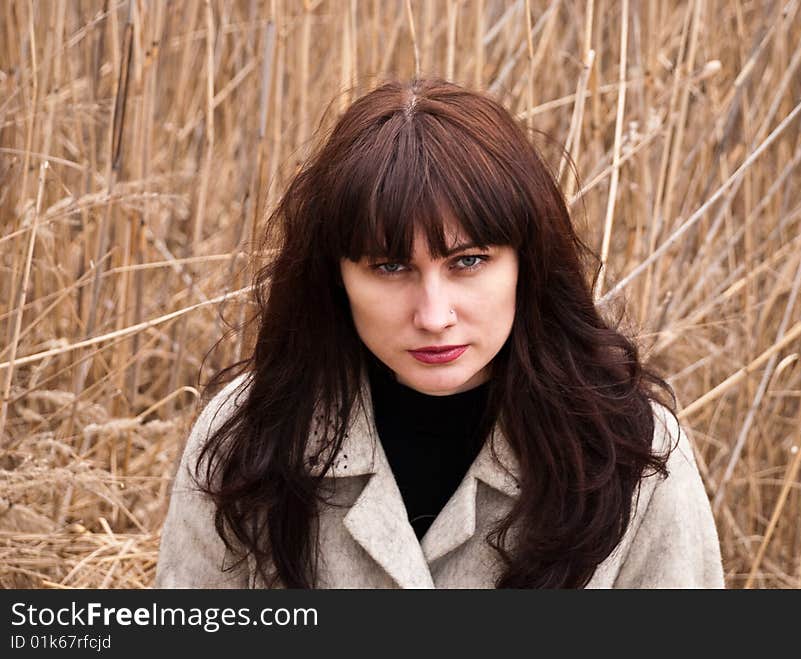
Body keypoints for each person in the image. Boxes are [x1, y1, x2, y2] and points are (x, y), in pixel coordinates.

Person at [155, 78, 724, 589]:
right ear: (335, 278)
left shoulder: (630, 450)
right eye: (390, 267)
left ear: (527, 265)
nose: (433, 315)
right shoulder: (247, 434)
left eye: (469, 261)